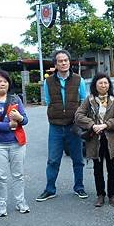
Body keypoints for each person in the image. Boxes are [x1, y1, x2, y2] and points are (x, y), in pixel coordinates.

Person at [36, 49, 88, 202]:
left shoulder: (79, 80)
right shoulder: (48, 81)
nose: (63, 63)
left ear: (69, 62)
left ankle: (79, 187)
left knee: (78, 159)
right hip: (56, 127)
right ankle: (50, 189)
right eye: (60, 61)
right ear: (56, 64)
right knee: (53, 160)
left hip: (74, 126)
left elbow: (84, 101)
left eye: (65, 60)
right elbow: (48, 100)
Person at [0, 70, 29, 217]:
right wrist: (9, 125)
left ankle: (20, 201)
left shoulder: (16, 99)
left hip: (17, 143)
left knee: (18, 174)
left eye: (5, 81)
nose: (2, 84)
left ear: (9, 84)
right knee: (1, 176)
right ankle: (1, 203)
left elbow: (25, 120)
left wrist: (19, 117)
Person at [74, 73, 114, 207]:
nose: (103, 85)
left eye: (106, 83)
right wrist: (92, 125)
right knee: (97, 169)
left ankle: (112, 195)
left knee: (112, 169)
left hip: (111, 140)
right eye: (100, 83)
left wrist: (106, 125)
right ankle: (100, 195)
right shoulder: (89, 100)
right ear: (95, 85)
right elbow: (78, 115)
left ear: (109, 85)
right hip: (95, 141)